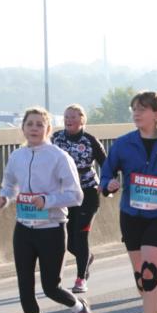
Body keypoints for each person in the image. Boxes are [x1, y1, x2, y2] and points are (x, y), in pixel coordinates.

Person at [0, 107, 96, 313]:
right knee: (25, 287)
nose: (34, 129)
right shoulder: (16, 156)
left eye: (40, 124)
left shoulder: (59, 157)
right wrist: (5, 198)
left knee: (51, 287)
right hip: (24, 228)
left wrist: (47, 200)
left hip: (51, 228)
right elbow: (10, 184)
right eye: (30, 124)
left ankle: (78, 308)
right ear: (23, 128)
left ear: (48, 129)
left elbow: (76, 195)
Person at [100, 91, 157, 313]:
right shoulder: (123, 144)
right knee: (141, 279)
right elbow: (107, 171)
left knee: (149, 274)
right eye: (133, 108)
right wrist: (108, 186)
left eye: (142, 109)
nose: (136, 113)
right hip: (132, 216)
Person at [51, 104, 107, 294]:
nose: (69, 120)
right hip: (64, 194)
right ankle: (87, 258)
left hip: (87, 193)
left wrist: (107, 184)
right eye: (67, 117)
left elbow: (106, 165)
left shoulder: (90, 140)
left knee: (81, 236)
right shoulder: (55, 138)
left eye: (74, 117)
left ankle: (81, 278)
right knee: (69, 242)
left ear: (82, 120)